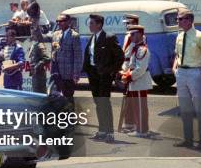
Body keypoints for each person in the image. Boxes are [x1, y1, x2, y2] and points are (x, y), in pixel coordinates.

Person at [172, 8, 201, 149]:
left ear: (189, 20)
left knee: (200, 108)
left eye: (180, 19)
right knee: (185, 108)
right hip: (181, 73)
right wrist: (175, 67)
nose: (178, 21)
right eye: (178, 19)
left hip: (194, 73)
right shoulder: (179, 36)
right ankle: (188, 139)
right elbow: (177, 54)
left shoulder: (200, 36)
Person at [83, 14, 124, 143]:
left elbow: (120, 57)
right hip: (93, 75)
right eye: (89, 23)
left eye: (91, 23)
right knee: (98, 103)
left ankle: (110, 132)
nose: (89, 26)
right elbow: (89, 57)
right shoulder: (92, 38)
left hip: (104, 75)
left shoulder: (109, 38)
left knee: (105, 103)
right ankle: (102, 130)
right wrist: (88, 70)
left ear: (99, 24)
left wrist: (111, 72)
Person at [119, 25, 152, 137]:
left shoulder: (142, 49)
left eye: (133, 34)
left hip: (140, 81)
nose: (131, 36)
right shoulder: (135, 48)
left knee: (140, 107)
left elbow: (140, 69)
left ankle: (142, 130)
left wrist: (128, 76)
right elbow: (130, 64)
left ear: (139, 34)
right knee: (136, 107)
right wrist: (125, 72)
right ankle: (139, 128)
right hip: (135, 81)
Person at [41, 14, 82, 100]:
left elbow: (78, 56)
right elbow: (42, 37)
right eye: (58, 21)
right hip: (56, 72)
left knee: (68, 96)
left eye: (62, 21)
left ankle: (70, 112)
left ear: (68, 22)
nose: (59, 23)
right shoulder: (55, 34)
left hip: (68, 73)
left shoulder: (74, 36)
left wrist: (76, 74)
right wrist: (36, 27)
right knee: (56, 96)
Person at [27, 26, 50, 94]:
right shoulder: (34, 44)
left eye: (33, 33)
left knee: (40, 93)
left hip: (39, 75)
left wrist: (37, 66)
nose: (31, 35)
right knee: (36, 93)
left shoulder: (40, 45)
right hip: (35, 74)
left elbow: (47, 58)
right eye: (31, 33)